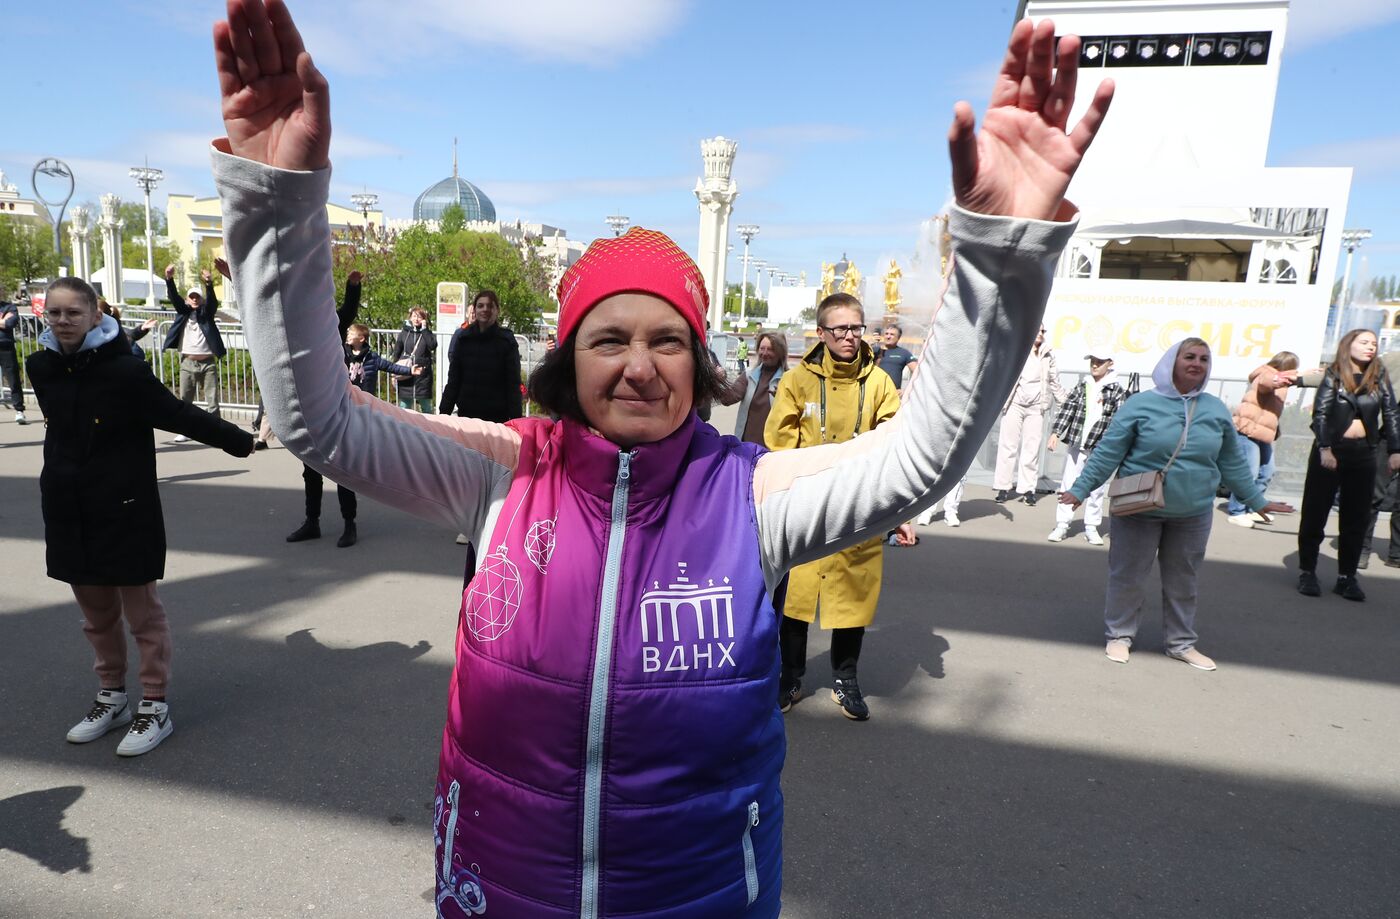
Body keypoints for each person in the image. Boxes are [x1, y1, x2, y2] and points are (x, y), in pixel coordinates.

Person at [212, 3, 1111, 914]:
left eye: (667, 341)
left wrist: (997, 257)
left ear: (701, 362)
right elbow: (318, 418)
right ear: (566, 363)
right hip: (504, 892)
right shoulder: (503, 472)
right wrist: (278, 201)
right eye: (609, 339)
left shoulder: (750, 494)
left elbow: (924, 452)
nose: (639, 365)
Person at [27, 277, 253, 756]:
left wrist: (242, 440)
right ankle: (112, 698)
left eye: (73, 312)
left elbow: (179, 414)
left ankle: (155, 705)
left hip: (124, 507)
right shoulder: (41, 367)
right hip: (68, 508)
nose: (63, 321)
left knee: (142, 614)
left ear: (95, 314)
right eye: (55, 313)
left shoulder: (125, 371)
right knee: (97, 616)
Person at [1061, 338, 1293, 671]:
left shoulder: (1214, 409)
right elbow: (1109, 451)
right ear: (1172, 361)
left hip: (1192, 513)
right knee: (1128, 576)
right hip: (1138, 509)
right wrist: (1080, 489)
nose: (1196, 363)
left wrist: (1258, 501)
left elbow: (1232, 461)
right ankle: (1119, 636)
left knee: (1184, 581)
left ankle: (1181, 643)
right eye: (1189, 357)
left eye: (1203, 358)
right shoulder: (1140, 405)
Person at [766, 293, 903, 720]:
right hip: (807, 504)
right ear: (821, 332)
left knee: (854, 601)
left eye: (856, 328)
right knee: (795, 604)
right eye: (840, 328)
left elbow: (897, 447)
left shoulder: (880, 383)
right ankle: (789, 678)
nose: (849, 336)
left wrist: (902, 514)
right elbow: (778, 442)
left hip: (860, 507)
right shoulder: (797, 381)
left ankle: (846, 681)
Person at [288, 319, 416, 547]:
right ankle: (312, 521)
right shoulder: (325, 352)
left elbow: (389, 366)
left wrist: (410, 370)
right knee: (311, 472)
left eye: (350, 332)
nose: (346, 335)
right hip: (318, 416)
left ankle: (349, 524)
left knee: (342, 471)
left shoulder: (359, 356)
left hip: (345, 416)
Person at [1295, 329, 1400, 601]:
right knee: (1315, 513)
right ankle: (1307, 571)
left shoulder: (1379, 376)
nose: (1370, 348)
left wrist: (1395, 450)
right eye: (1364, 342)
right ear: (1348, 345)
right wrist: (1325, 447)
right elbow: (1321, 412)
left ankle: (1347, 577)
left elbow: (1390, 412)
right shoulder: (1334, 374)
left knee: (1356, 517)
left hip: (1364, 453)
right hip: (1331, 451)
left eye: (1374, 344)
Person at [1046, 354, 1133, 545]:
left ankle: (1091, 527)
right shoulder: (1082, 385)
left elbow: (1120, 421)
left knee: (1096, 488)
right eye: (1092, 360)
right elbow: (1068, 409)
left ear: (1110, 364)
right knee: (1068, 484)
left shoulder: (1116, 391)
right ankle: (1062, 524)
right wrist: (1056, 433)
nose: (1095, 364)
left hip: (1100, 448)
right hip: (1077, 444)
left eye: (1100, 361)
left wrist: (1115, 446)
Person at [1224, 351, 1300, 529]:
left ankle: (1254, 507)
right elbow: (1267, 383)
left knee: (1267, 471)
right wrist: (1294, 377)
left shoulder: (1281, 381)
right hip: (1247, 430)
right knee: (1248, 473)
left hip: (1263, 433)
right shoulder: (1265, 374)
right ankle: (1237, 511)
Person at [994, 323, 1066, 504]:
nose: (1041, 333)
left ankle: (1027, 490)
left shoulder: (1048, 355)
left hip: (1036, 407)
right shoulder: (1017, 350)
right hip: (1014, 405)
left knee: (1031, 449)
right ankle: (1003, 487)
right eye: (1038, 330)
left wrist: (1066, 403)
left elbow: (1054, 382)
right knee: (1007, 446)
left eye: (1043, 331)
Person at [162, 264, 226, 443]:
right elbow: (174, 298)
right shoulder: (183, 313)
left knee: (212, 400)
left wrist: (209, 283)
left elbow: (213, 302)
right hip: (187, 363)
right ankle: (185, 430)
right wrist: (169, 279)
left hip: (207, 363)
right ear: (187, 300)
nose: (195, 299)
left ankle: (216, 430)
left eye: (197, 296)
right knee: (185, 400)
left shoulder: (207, 314)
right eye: (192, 297)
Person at [439, 289, 523, 423]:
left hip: (496, 418)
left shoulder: (506, 341)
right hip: (467, 415)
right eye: (480, 305)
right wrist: (443, 414)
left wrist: (516, 422)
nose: (485, 309)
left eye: (490, 306)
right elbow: (454, 381)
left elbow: (513, 384)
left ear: (497, 311)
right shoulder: (463, 339)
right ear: (475, 310)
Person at [1359, 347, 1400, 569]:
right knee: (1372, 495)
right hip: (1387, 438)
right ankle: (1361, 550)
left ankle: (1397, 554)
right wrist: (1299, 379)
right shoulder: (1394, 359)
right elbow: (1350, 375)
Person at [718, 331, 787, 446]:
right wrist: (720, 380)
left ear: (780, 352)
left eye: (770, 349)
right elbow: (728, 399)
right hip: (747, 446)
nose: (764, 353)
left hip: (774, 448)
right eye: (762, 348)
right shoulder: (749, 375)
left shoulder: (788, 379)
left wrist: (784, 399)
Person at [391, 307, 436, 412]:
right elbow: (397, 352)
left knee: (427, 407)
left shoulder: (427, 333)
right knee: (404, 407)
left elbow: (432, 345)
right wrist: (394, 372)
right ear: (410, 317)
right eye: (414, 316)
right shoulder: (404, 333)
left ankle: (428, 427)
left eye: (419, 317)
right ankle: (404, 427)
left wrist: (424, 329)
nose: (416, 319)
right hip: (406, 374)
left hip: (423, 375)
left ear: (424, 319)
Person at [0, 287, 28, 424]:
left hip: (5, 347)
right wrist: (2, 321)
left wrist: (6, 321)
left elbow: (10, 323)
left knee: (13, 379)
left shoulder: (9, 307)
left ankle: (19, 410)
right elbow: (4, 322)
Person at [873, 323, 917, 391]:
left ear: (898, 338)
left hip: (893, 395)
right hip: (873, 392)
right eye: (886, 334)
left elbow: (918, 372)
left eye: (892, 334)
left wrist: (907, 390)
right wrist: (869, 344)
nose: (888, 336)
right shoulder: (874, 350)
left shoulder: (904, 353)